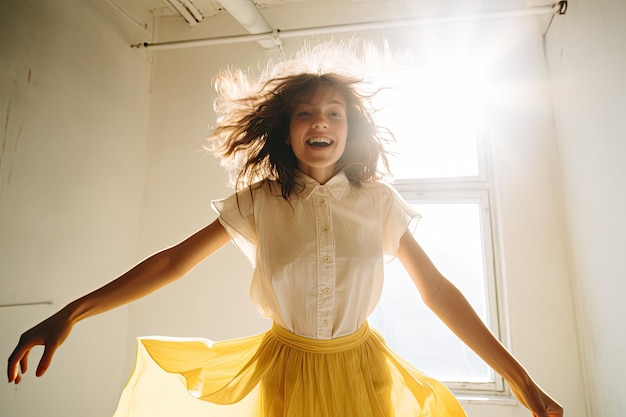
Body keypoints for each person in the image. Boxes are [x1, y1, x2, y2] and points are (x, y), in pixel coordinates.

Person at [7, 43, 563, 417]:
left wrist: (520, 380)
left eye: (334, 113)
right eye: (304, 113)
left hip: (362, 371)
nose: (319, 120)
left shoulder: (380, 203)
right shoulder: (258, 203)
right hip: (284, 374)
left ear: (351, 131)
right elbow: (172, 262)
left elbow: (438, 292)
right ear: (287, 130)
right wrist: (70, 313)